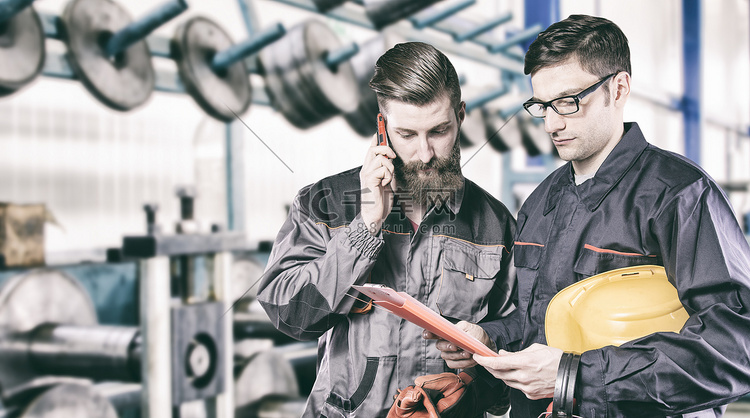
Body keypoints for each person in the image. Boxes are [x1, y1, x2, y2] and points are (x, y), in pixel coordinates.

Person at [432, 14, 750, 417]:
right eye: (541, 105)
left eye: (568, 101)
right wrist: (488, 338)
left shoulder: (679, 195)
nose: (551, 123)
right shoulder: (540, 200)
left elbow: (736, 344)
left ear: (618, 89)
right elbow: (543, 323)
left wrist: (574, 377)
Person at [257, 41, 516, 418]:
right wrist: (365, 228)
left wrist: (480, 358)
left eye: (439, 131)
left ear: (460, 116)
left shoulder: (495, 223)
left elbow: (513, 356)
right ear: (382, 128)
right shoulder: (326, 202)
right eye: (407, 135)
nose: (425, 153)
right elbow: (289, 314)